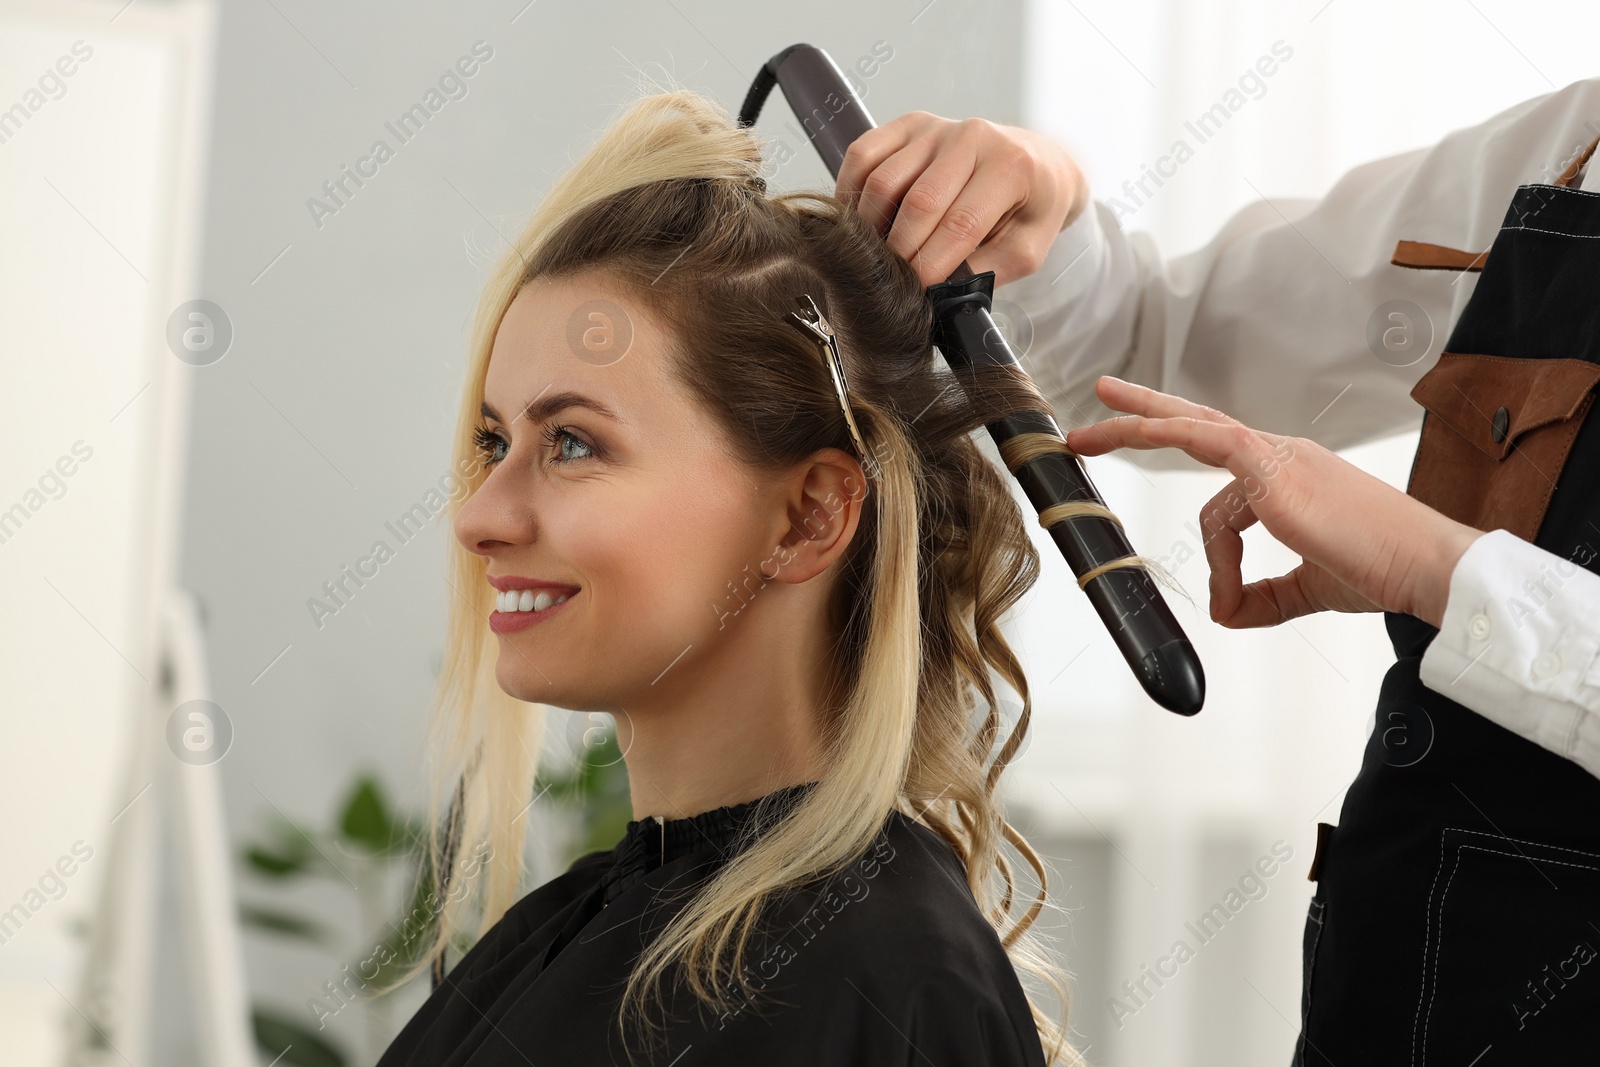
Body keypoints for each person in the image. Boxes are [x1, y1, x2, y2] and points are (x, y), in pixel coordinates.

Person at [835, 79, 1600, 1061]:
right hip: (1401, 965)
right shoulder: (1571, 150)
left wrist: (1440, 568)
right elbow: (1156, 340)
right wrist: (1046, 197)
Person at [372, 89, 1095, 1066]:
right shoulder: (551, 941)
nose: (481, 517)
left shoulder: (886, 979)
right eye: (494, 440)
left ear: (808, 515)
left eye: (573, 441)